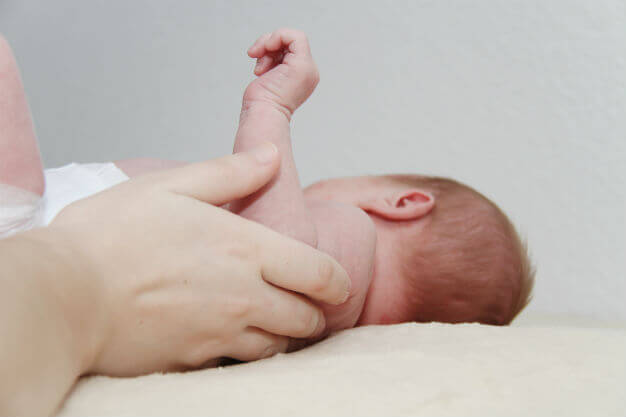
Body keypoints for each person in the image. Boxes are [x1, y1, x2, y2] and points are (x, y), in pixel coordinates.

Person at [0, 35, 352, 416]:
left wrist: (270, 107)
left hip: (34, 242)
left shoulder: (356, 227)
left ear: (395, 204)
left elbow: (285, 263)